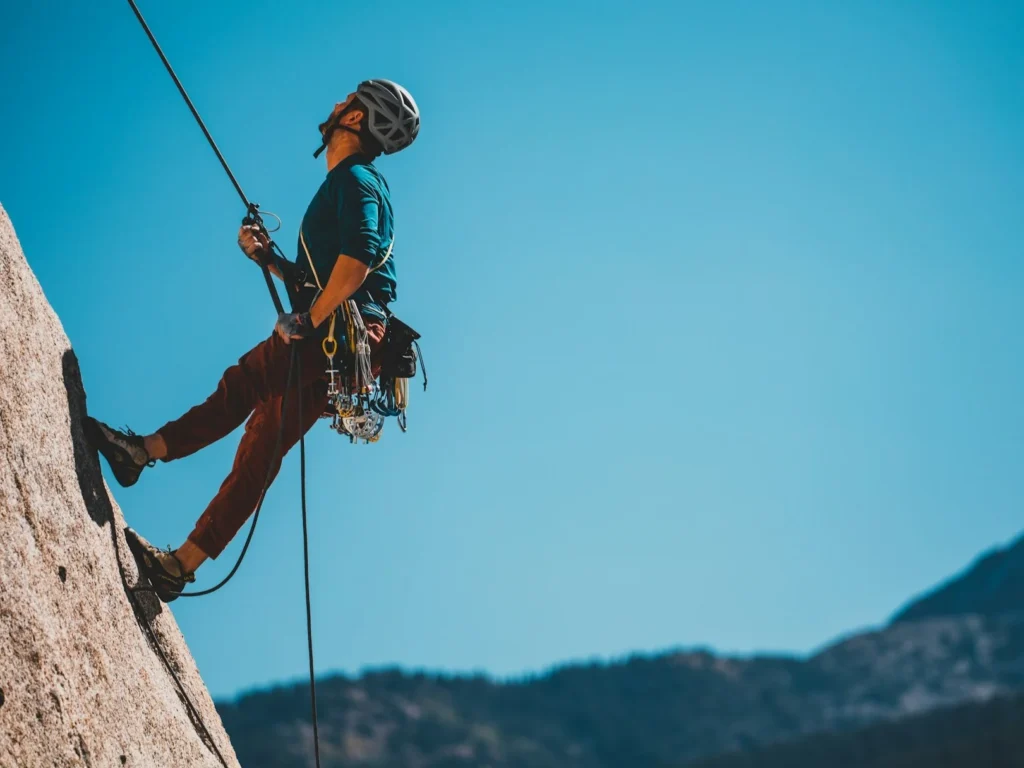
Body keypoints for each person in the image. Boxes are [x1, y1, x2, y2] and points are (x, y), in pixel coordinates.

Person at [85, 79, 420, 602]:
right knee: (262, 446)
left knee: (242, 385)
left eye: (345, 101)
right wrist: (268, 259)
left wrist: (307, 320)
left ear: (354, 119)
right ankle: (181, 565)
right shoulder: (351, 182)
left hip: (338, 332)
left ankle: (139, 452)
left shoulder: (355, 180)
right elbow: (334, 274)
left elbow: (355, 265)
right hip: (354, 347)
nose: (335, 104)